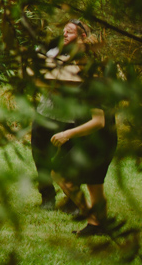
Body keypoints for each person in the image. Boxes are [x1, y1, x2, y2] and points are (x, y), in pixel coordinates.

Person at [49, 27, 118, 236]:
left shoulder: (94, 83)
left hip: (97, 140)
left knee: (62, 175)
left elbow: (98, 122)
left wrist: (66, 134)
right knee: (94, 184)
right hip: (101, 139)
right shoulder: (93, 79)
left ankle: (92, 218)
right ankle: (97, 225)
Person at [31, 19, 87, 210]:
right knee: (40, 157)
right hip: (44, 114)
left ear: (82, 36)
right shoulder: (53, 52)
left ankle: (72, 201)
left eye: (69, 32)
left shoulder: (86, 59)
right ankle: (47, 197)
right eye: (63, 31)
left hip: (70, 120)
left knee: (68, 163)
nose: (64, 34)